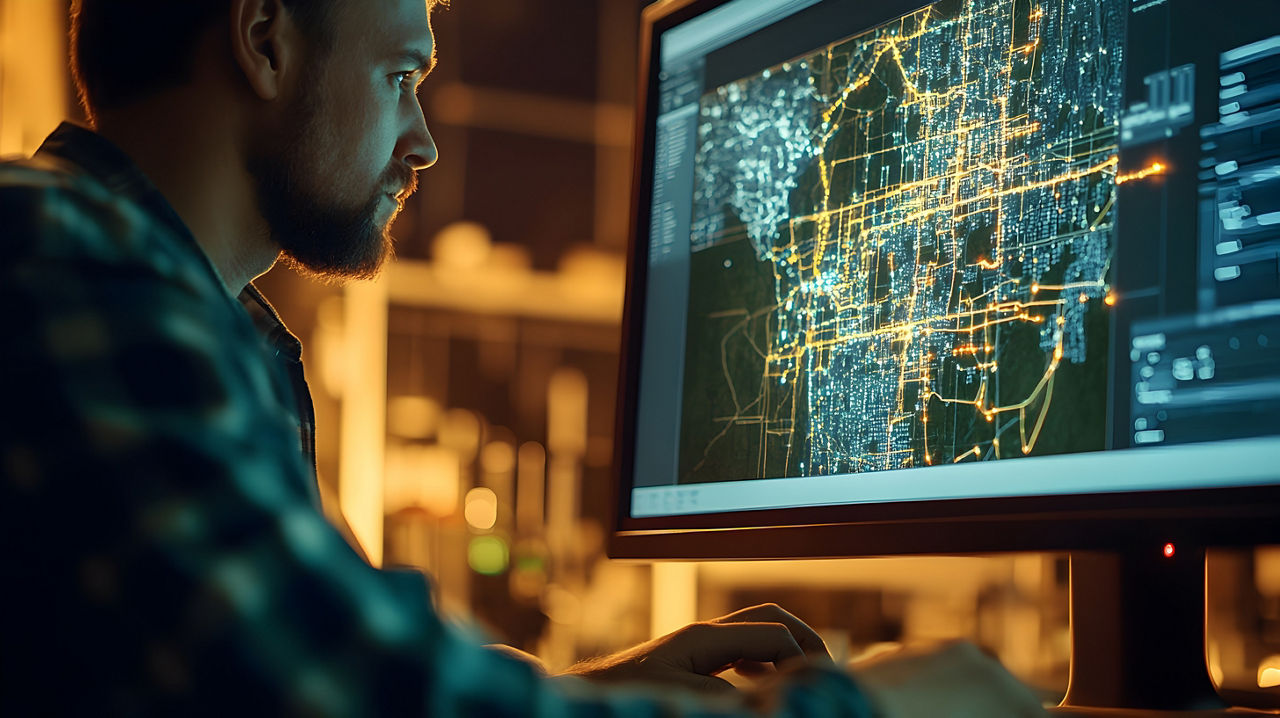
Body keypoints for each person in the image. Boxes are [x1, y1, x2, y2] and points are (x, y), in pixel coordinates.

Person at [0, 0, 1046, 715]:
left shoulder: (220, 334)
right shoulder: (62, 258)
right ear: (265, 40)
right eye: (399, 75)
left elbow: (312, 661)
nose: (423, 141)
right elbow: (346, 699)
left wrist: (585, 688)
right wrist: (874, 706)